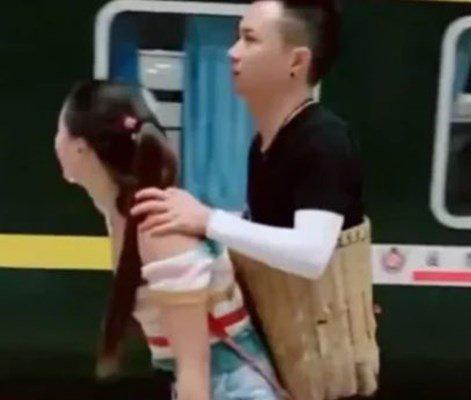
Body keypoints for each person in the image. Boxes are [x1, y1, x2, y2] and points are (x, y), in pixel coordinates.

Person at [131, 1, 380, 399]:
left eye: (249, 39)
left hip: (324, 371)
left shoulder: (323, 139)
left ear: (296, 61)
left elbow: (311, 253)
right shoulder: (265, 143)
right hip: (292, 362)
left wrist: (208, 220)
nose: (233, 52)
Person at [54, 80, 285, 400]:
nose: (55, 141)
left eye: (60, 130)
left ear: (80, 148)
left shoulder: (158, 230)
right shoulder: (126, 217)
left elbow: (194, 367)